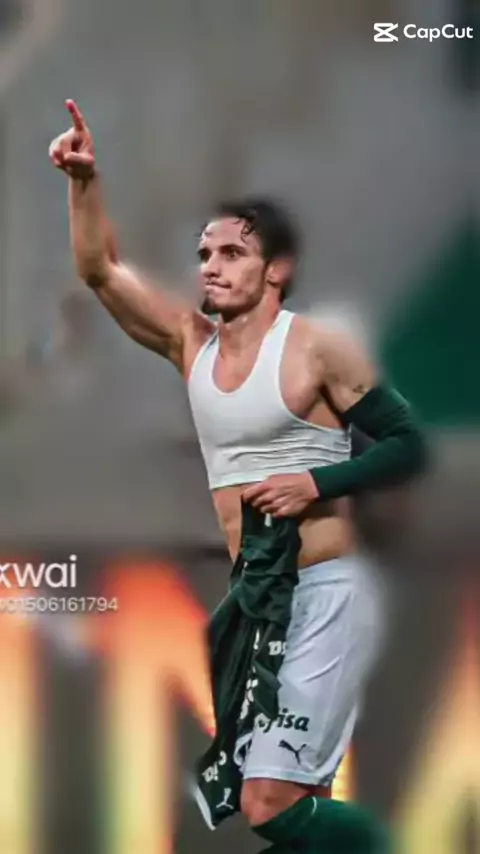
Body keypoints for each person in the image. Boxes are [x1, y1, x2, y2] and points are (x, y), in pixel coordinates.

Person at [49, 100, 427, 853]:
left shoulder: (316, 349)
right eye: (204, 254)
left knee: (268, 801)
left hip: (325, 593)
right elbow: (99, 270)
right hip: (260, 604)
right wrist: (84, 182)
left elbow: (407, 444)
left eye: (231, 253)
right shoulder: (190, 344)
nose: (211, 267)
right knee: (297, 804)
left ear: (276, 269)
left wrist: (317, 484)